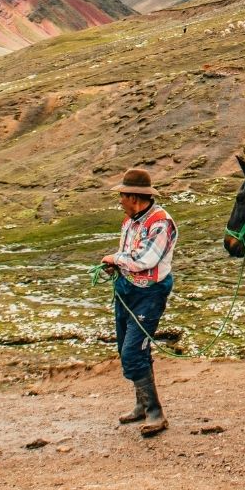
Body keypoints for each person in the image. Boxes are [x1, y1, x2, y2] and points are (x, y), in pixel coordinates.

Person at [101, 167, 178, 437]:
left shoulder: (160, 223)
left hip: (149, 294)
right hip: (126, 289)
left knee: (133, 351)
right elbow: (129, 254)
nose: (119, 200)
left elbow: (147, 260)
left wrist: (115, 260)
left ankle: (156, 413)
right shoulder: (129, 221)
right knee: (126, 345)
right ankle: (142, 405)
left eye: (122, 195)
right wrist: (117, 267)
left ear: (134, 197)